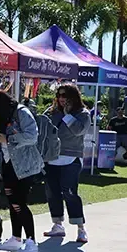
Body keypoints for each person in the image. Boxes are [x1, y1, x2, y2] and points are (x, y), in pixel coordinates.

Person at [0, 89, 43, 252]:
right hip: (7, 163)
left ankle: (31, 240)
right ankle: (16, 238)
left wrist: (8, 140)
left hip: (24, 165)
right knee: (13, 202)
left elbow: (32, 136)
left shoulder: (21, 112)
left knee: (19, 202)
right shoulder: (0, 116)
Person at [43, 83, 90, 243]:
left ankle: (80, 228)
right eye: (59, 95)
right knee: (52, 192)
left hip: (71, 158)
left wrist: (67, 114)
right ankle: (57, 225)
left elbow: (78, 131)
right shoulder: (51, 112)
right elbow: (42, 128)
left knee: (69, 192)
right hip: (51, 158)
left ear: (73, 97)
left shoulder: (83, 114)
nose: (62, 99)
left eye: (65, 95)